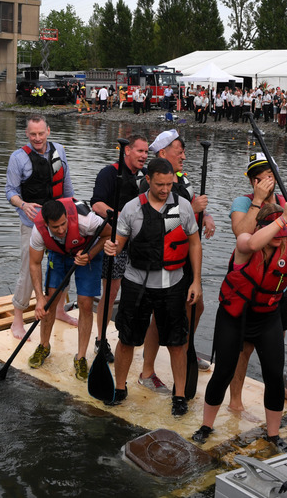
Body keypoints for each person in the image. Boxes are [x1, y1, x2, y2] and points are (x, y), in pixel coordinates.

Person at [191, 201, 287, 448]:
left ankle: (273, 435)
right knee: (223, 372)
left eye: (284, 234)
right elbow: (253, 243)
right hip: (234, 317)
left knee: (274, 377)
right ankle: (206, 425)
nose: (281, 239)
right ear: (262, 227)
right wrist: (283, 219)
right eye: (277, 233)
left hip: (267, 319)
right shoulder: (246, 241)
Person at [102, 157, 202, 416]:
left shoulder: (184, 207)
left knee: (177, 342)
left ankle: (179, 396)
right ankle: (120, 387)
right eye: (160, 184)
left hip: (173, 284)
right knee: (127, 339)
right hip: (137, 284)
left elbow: (194, 244)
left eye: (169, 184)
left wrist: (196, 281)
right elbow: (119, 244)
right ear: (148, 180)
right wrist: (112, 247)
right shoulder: (132, 208)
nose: (165, 189)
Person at [226, 153, 287, 412]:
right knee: (245, 347)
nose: (270, 181)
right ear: (253, 182)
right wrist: (259, 200)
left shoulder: (286, 203)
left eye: (273, 176)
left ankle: (274, 384)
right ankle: (235, 398)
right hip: (250, 288)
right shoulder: (244, 202)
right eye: (264, 178)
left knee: (275, 342)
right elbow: (242, 233)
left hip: (278, 285)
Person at [137, 130, 216, 393]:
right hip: (159, 260)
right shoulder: (146, 183)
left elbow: (194, 203)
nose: (183, 155)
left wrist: (207, 216)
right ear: (162, 154)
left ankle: (185, 348)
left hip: (184, 256)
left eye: (183, 150)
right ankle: (147, 371)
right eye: (178, 150)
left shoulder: (181, 179)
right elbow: (154, 221)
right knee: (159, 319)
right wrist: (191, 212)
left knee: (197, 306)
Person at [5, 115, 74, 340]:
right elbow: (10, 192)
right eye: (33, 134)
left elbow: (66, 185)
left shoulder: (60, 151)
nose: (37, 138)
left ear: (48, 131)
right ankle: (18, 318)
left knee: (64, 264)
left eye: (41, 133)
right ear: (27, 134)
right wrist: (23, 205)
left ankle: (61, 309)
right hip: (31, 223)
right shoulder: (18, 158)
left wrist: (72, 213)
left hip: (58, 222)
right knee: (28, 267)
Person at [27, 198, 110, 380]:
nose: (62, 230)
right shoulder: (38, 231)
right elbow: (34, 263)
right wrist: (39, 298)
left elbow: (108, 234)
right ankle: (44, 346)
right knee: (49, 301)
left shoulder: (86, 221)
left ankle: (80, 357)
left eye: (64, 224)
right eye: (55, 227)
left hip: (86, 252)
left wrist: (89, 255)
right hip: (58, 253)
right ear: (47, 224)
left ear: (67, 217)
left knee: (85, 304)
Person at [90, 135, 150, 362]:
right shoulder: (109, 173)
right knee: (112, 291)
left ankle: (133, 336)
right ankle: (100, 339)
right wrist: (120, 217)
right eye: (140, 151)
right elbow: (96, 204)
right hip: (116, 239)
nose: (144, 156)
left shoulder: (146, 177)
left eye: (146, 152)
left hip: (140, 243)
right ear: (127, 151)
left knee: (140, 292)